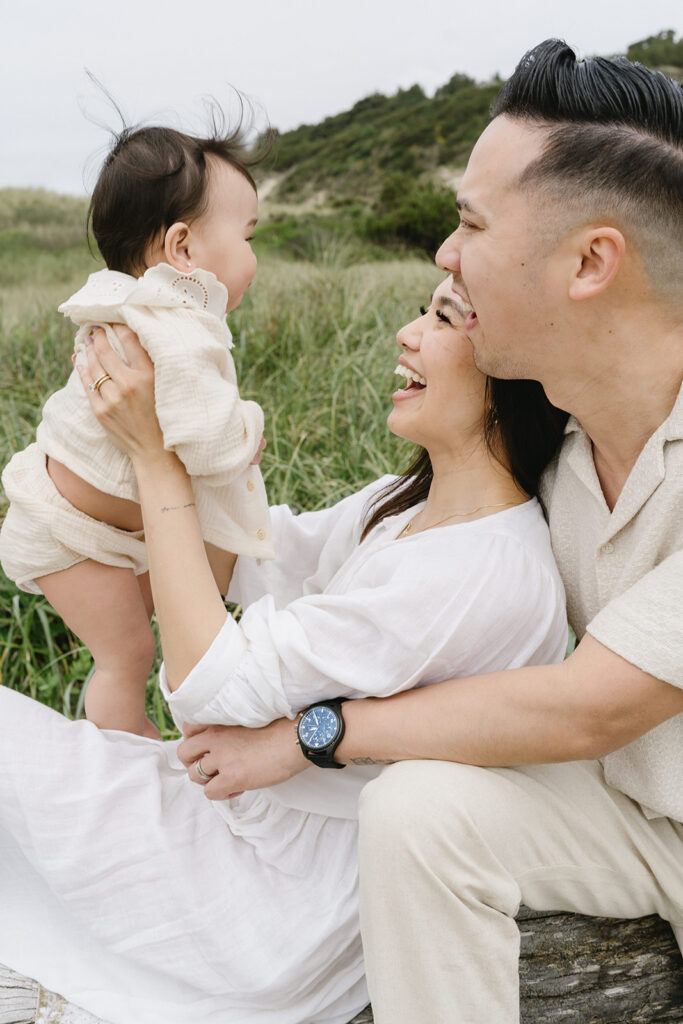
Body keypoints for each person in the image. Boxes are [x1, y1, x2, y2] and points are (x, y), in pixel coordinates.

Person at [180, 38, 682, 1024]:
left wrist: (310, 734)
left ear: (590, 261)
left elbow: (587, 708)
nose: (445, 258)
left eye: (469, 221)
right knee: (418, 814)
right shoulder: (559, 434)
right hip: (625, 811)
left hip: (614, 769)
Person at [0, 275, 568, 1024]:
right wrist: (176, 448)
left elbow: (207, 683)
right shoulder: (406, 507)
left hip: (275, 892)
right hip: (246, 819)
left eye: (441, 317)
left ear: (512, 370)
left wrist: (155, 461)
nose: (407, 332)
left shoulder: (482, 571)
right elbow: (252, 557)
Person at [0, 121, 270, 737]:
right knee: (127, 657)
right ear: (183, 250)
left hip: (103, 535)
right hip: (68, 539)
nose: (255, 256)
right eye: (249, 236)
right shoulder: (174, 327)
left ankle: (165, 726)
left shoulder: (131, 302)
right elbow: (215, 445)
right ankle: (125, 756)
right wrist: (250, 425)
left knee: (168, 619)